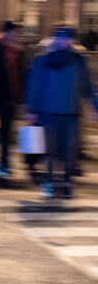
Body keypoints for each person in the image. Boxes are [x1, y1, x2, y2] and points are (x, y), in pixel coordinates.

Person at [23, 26, 98, 198]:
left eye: (66, 39)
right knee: (50, 150)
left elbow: (87, 86)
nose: (63, 41)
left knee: (69, 152)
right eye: (60, 38)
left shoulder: (79, 60)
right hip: (48, 113)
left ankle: (66, 183)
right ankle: (49, 181)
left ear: (71, 41)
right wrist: (31, 109)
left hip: (71, 114)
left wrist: (94, 106)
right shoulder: (42, 60)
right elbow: (34, 85)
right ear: (55, 39)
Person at [0, 21, 27, 176]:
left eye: (16, 33)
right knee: (4, 132)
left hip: (14, 97)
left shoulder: (17, 51)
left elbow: (21, 74)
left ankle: (4, 161)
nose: (15, 35)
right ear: (6, 32)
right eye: (13, 32)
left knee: (8, 132)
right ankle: (3, 162)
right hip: (2, 96)